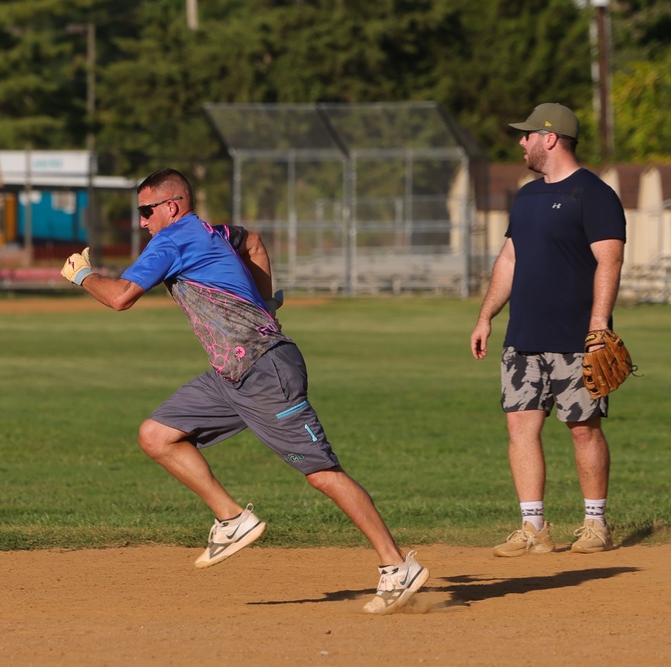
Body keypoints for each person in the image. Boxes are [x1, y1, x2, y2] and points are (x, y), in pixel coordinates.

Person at [60, 168, 428, 614]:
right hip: (231, 372)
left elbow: (120, 296)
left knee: (322, 473)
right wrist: (265, 302)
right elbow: (252, 240)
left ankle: (396, 566)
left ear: (172, 206)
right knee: (157, 435)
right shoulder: (211, 231)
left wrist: (82, 276)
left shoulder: (172, 239)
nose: (142, 221)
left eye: (146, 210)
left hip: (263, 368)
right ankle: (232, 518)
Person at [469, 103, 626, 556]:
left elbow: (609, 261)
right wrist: (486, 317)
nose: (521, 142)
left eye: (528, 135)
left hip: (576, 337)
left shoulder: (593, 194)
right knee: (520, 427)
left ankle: (595, 524)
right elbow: (510, 260)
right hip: (523, 337)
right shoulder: (527, 196)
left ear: (551, 138)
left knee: (583, 428)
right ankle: (533, 526)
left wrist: (598, 325)